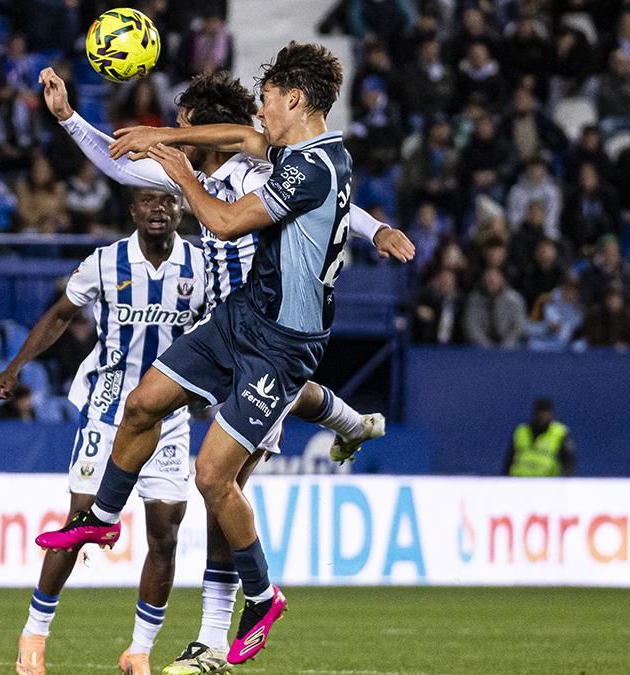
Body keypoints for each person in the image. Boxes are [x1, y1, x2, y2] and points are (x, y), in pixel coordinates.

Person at [42, 63, 405, 673]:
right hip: (234, 321)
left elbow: (319, 203)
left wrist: (378, 230)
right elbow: (125, 161)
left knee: (219, 487)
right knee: (145, 406)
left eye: (186, 127)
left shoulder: (273, 168)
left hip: (279, 341)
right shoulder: (241, 155)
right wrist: (72, 120)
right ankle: (102, 521)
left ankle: (215, 642)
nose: (179, 136)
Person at [0, 188, 208, 675]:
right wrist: (15, 367)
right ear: (133, 212)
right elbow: (59, 316)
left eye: (167, 202)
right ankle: (34, 634)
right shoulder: (105, 262)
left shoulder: (202, 266)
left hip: (169, 417)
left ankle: (139, 651)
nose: (158, 209)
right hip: (108, 412)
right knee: (78, 524)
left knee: (165, 532)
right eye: (147, 202)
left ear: (180, 211)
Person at [504, 398, 575, 477]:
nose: (542, 416)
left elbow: (568, 461)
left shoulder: (560, 433)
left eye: (545, 413)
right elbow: (509, 459)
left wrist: (565, 481)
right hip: (519, 481)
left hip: (546, 483)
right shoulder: (521, 431)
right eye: (539, 412)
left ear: (551, 414)